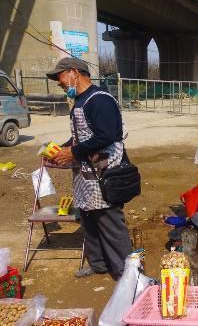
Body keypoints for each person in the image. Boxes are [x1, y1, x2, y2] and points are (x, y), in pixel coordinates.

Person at [47, 57, 132, 279]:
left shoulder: (100, 100)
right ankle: (98, 264)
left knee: (109, 220)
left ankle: (128, 273)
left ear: (75, 72)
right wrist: (62, 150)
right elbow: (81, 136)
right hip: (85, 175)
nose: (59, 82)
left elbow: (108, 135)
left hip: (104, 172)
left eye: (60, 76)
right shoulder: (80, 101)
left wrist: (73, 153)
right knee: (88, 218)